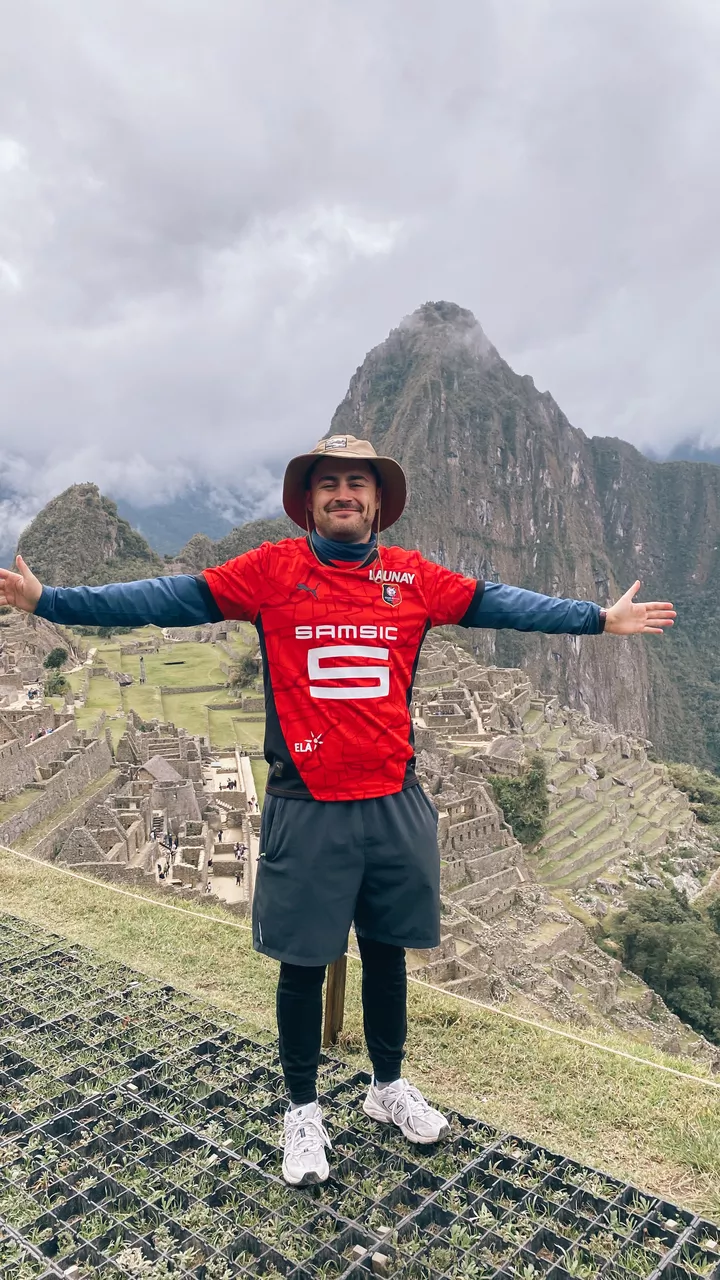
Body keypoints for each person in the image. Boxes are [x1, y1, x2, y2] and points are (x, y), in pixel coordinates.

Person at [0, 433, 676, 1188]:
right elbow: (168, 595)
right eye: (330, 484)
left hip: (393, 800)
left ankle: (387, 1087)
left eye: (358, 483)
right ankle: (302, 1110)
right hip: (307, 803)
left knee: (388, 953)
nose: (344, 494)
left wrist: (595, 618)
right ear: (309, 500)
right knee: (302, 962)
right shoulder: (271, 572)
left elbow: (497, 603)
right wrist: (50, 601)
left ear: (378, 501)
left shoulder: (413, 579)